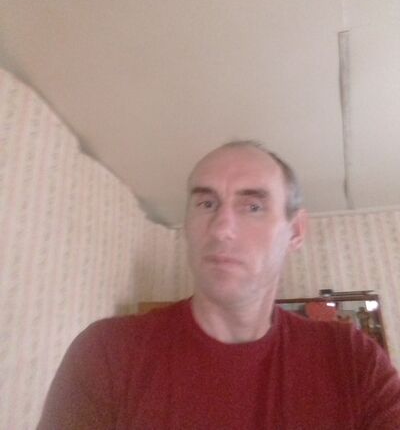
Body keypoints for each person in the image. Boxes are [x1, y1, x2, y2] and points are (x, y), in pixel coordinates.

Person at [37, 140, 400, 429]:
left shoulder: (352, 360)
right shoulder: (107, 351)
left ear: (295, 231)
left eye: (253, 207)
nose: (222, 228)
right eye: (207, 203)